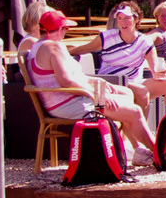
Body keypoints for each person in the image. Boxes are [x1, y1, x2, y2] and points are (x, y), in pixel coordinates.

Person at [23, 9, 157, 167]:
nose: (66, 32)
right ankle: (157, 152)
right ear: (59, 29)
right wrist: (95, 94)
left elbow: (68, 77)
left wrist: (96, 80)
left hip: (66, 99)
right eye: (66, 28)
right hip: (68, 102)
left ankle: (132, 148)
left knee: (126, 93)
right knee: (135, 111)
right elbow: (66, 81)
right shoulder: (53, 47)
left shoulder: (37, 46)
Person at [69, 1, 166, 111]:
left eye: (127, 18)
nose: (123, 22)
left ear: (136, 20)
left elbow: (155, 69)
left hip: (134, 81)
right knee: (142, 92)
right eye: (120, 18)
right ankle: (141, 127)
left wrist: (160, 71)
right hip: (110, 80)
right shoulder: (106, 37)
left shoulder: (145, 42)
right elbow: (84, 48)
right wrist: (65, 53)